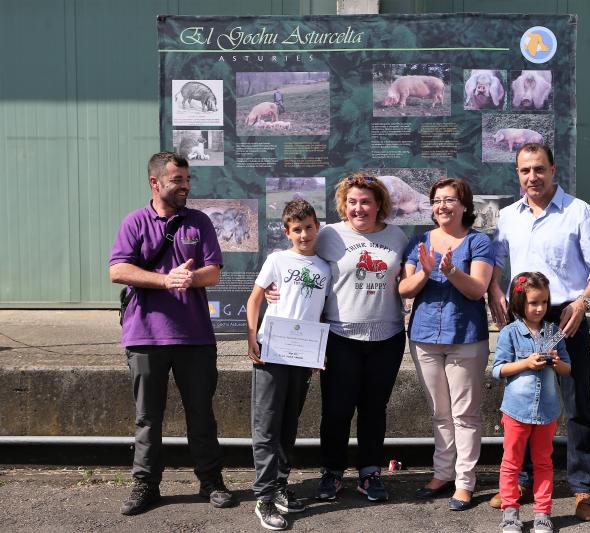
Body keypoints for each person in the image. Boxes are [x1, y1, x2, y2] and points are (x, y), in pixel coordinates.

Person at [488, 143, 590, 521]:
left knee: (577, 406)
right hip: (523, 320)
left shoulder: (578, 212)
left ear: (554, 170)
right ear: (518, 174)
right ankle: (523, 482)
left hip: (566, 315)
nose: (533, 177)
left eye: (539, 169)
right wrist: (495, 292)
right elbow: (496, 262)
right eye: (525, 170)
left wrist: (583, 303)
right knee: (525, 403)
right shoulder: (508, 216)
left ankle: (582, 489)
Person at [267, 172, 408, 502]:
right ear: (344, 204)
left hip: (387, 338)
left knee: (375, 409)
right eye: (352, 202)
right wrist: (274, 286)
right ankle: (331, 472)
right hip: (340, 336)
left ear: (379, 205)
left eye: (366, 202)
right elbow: (295, 259)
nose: (359, 208)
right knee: (337, 409)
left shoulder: (398, 236)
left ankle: (369, 472)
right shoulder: (329, 234)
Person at [108, 151, 234, 516]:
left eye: (187, 180)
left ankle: (211, 481)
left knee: (201, 413)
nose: (185, 186)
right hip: (144, 336)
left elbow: (213, 272)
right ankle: (146, 484)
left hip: (194, 337)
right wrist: (166, 280)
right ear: (155, 182)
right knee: (148, 416)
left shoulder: (199, 222)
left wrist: (190, 277)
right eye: (178, 180)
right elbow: (117, 271)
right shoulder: (134, 222)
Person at [398, 178, 494, 511]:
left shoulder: (479, 242)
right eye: (436, 200)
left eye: (450, 200)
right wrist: (426, 273)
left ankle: (465, 482)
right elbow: (405, 289)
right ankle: (442, 473)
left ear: (465, 206)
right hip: (424, 338)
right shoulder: (420, 240)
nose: (442, 206)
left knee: (464, 414)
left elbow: (477, 288)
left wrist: (451, 270)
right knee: (440, 413)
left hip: (465, 337)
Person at [245, 199, 330, 531]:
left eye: (309, 227)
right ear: (287, 232)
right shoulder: (277, 260)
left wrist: (320, 350)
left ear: (317, 227)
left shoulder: (325, 268)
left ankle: (280, 484)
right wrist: (251, 336)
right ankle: (264, 497)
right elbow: (255, 297)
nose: (304, 234)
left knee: (288, 425)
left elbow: (321, 313)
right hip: (271, 353)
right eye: (297, 229)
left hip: (303, 356)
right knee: (266, 425)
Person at [493, 272, 571, 533]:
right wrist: (525, 363)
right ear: (519, 303)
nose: (540, 308)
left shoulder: (553, 332)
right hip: (516, 410)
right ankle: (510, 513)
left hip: (547, 412)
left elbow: (567, 369)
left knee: (544, 462)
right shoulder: (510, 333)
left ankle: (542, 512)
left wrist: (558, 362)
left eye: (545, 302)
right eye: (534, 302)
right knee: (511, 462)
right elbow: (498, 369)